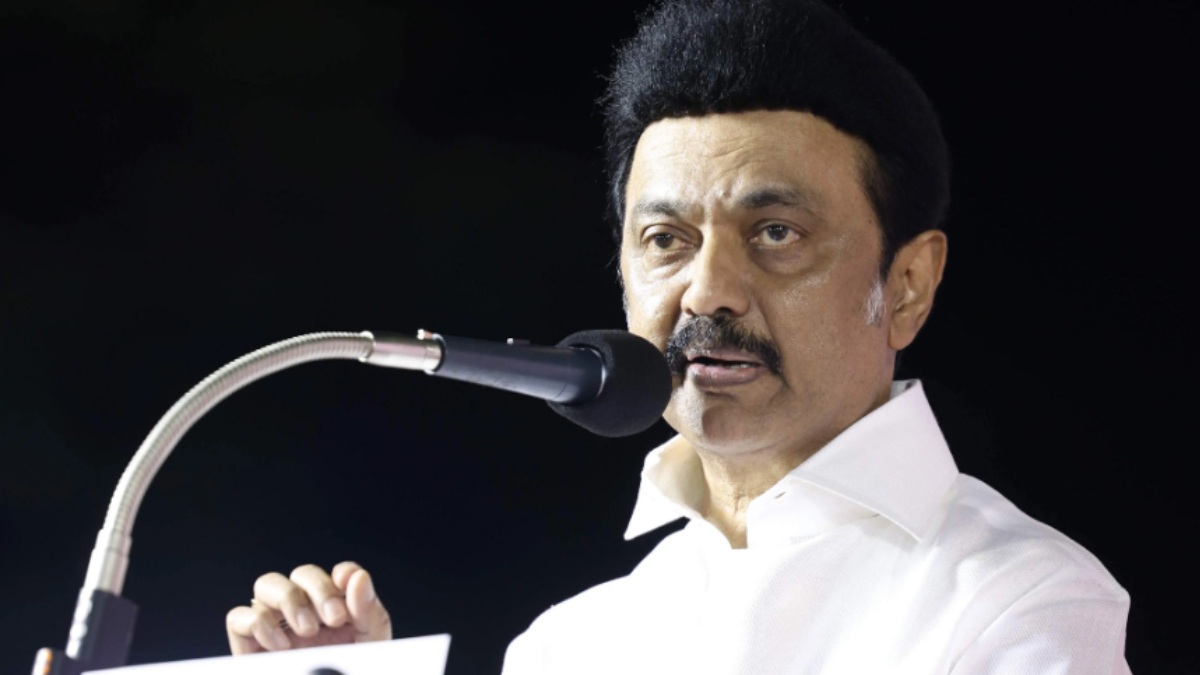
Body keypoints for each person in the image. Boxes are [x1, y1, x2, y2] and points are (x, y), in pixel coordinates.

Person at [225, 0, 1132, 672]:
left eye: (775, 233)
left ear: (907, 286)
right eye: (666, 239)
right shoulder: (569, 645)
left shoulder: (1019, 599)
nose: (708, 290)